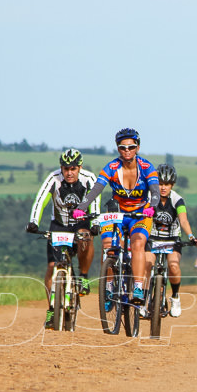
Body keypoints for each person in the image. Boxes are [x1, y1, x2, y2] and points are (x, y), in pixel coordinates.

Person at [73, 128, 159, 305]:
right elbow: (96, 189)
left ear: (138, 147)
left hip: (140, 214)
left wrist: (153, 207)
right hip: (117, 214)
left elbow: (155, 192)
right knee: (108, 245)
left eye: (131, 147)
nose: (127, 151)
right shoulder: (112, 167)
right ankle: (110, 287)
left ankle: (137, 287)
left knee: (137, 244)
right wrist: (81, 207)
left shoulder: (146, 167)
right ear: (118, 149)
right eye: (123, 147)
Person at [26, 148, 99, 329]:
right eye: (66, 168)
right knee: (52, 267)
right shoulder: (53, 178)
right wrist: (33, 221)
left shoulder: (89, 179)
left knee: (86, 239)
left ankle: (83, 276)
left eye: (73, 168)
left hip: (80, 224)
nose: (69, 172)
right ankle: (52, 308)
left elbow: (95, 201)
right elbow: (40, 200)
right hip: (59, 224)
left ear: (79, 167)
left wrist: (96, 223)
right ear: (61, 167)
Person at [145, 163, 197, 318]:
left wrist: (191, 236)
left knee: (173, 266)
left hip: (172, 239)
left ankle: (175, 297)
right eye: (160, 184)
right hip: (153, 238)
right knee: (147, 264)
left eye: (167, 184)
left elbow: (183, 221)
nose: (163, 187)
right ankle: (145, 299)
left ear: (172, 185)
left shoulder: (177, 200)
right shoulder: (150, 197)